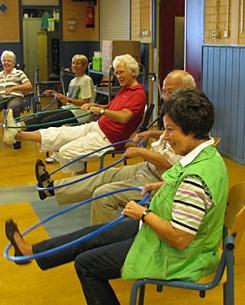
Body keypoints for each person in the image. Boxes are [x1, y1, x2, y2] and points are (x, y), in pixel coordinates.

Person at [5, 88, 229, 305]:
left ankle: (33, 253)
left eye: (171, 130)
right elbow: (191, 197)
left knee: (86, 265)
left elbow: (180, 238)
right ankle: (31, 252)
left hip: (175, 254)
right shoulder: (210, 157)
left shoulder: (195, 180)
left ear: (191, 129)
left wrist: (143, 214)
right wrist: (163, 186)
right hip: (164, 234)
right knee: (92, 236)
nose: (166, 137)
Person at [34, 70, 196, 225]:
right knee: (105, 175)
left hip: (160, 179)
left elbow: (170, 163)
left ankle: (103, 245)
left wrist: (140, 151)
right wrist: (151, 133)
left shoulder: (190, 121)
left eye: (170, 92)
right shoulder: (173, 114)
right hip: (147, 166)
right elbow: (169, 137)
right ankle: (52, 188)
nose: (165, 97)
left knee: (102, 194)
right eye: (164, 92)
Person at [3, 54, 146, 173]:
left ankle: (80, 182)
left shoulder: (138, 93)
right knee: (61, 132)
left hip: (108, 138)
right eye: (117, 72)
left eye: (122, 72)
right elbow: (110, 107)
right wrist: (95, 105)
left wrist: (101, 110)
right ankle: (17, 135)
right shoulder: (124, 89)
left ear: (133, 72)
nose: (118, 76)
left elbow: (124, 117)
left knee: (65, 151)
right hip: (98, 126)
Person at [22, 54, 97, 131]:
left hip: (80, 113)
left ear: (84, 66)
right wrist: (55, 94)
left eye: (78, 63)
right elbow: (67, 102)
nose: (74, 65)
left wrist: (67, 99)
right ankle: (18, 127)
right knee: (40, 116)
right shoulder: (73, 81)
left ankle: (20, 132)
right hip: (69, 109)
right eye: (73, 63)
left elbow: (85, 102)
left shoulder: (86, 80)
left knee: (45, 122)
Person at [0, 50, 33, 148]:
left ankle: (16, 138)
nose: (6, 63)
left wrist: (14, 88)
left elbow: (29, 86)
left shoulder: (19, 73)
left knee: (12, 108)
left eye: (9, 61)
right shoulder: (0, 74)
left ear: (14, 63)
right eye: (4, 60)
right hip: (1, 98)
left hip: (15, 97)